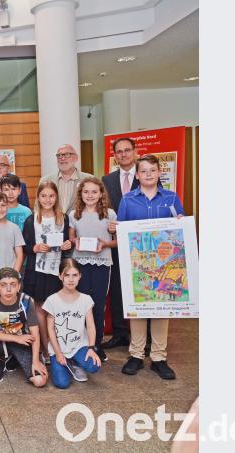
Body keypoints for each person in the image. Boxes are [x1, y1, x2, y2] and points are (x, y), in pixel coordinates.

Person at [117, 154, 185, 380]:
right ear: (137, 175)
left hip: (165, 264)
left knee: (161, 309)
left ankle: (158, 357)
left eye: (152, 171)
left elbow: (180, 226)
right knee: (139, 307)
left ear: (159, 173)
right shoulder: (127, 200)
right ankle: (136, 355)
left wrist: (181, 222)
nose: (148, 174)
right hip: (138, 264)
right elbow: (121, 230)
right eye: (143, 171)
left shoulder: (171, 198)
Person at [22, 181, 73, 362]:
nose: (47, 199)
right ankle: (45, 348)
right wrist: (34, 247)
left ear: (56, 197)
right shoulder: (31, 219)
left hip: (56, 270)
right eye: (43, 196)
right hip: (37, 271)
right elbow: (25, 247)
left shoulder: (64, 218)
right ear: (38, 197)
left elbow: (67, 244)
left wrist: (68, 244)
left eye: (51, 196)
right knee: (40, 310)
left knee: (55, 309)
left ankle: (58, 345)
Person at [68, 177, 117, 362]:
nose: (90, 195)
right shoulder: (74, 215)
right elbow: (72, 238)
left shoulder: (109, 214)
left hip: (102, 264)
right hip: (80, 265)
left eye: (94, 192)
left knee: (97, 305)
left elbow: (116, 241)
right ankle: (80, 344)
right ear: (81, 194)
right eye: (86, 192)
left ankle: (96, 344)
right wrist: (76, 242)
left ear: (101, 194)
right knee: (80, 305)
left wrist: (105, 244)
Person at [0, 267, 47, 387]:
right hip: (1, 341)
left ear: (19, 286)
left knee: (40, 381)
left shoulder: (27, 301)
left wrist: (35, 361)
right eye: (3, 285)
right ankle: (0, 363)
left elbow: (35, 334)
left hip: (23, 344)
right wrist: (16, 338)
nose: (8, 289)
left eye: (13, 285)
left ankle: (15, 359)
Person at [100, 137, 139, 350]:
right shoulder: (107, 179)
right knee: (116, 287)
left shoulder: (145, 174)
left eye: (127, 150)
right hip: (114, 242)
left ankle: (145, 336)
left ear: (135, 151)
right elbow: (104, 207)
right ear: (115, 155)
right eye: (119, 151)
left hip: (139, 243)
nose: (123, 154)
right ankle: (119, 332)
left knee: (140, 286)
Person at [43, 259, 102, 389]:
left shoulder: (86, 299)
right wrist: (58, 353)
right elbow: (50, 329)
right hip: (59, 348)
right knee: (61, 383)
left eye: (74, 275)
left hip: (78, 346)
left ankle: (75, 361)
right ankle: (66, 363)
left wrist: (91, 348)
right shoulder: (52, 300)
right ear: (60, 276)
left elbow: (91, 326)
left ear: (80, 276)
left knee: (94, 365)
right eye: (67, 275)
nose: (70, 279)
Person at [39, 144, 94, 214]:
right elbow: (38, 207)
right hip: (53, 223)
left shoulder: (89, 179)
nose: (62, 158)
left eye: (67, 154)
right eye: (59, 155)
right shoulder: (45, 180)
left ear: (76, 158)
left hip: (79, 223)